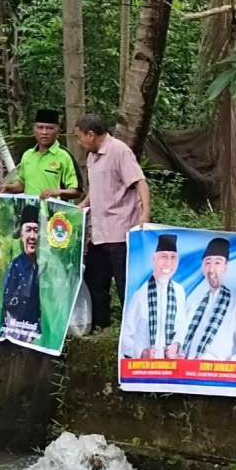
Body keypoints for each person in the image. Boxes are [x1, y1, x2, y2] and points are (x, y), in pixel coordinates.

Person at [76, 114, 150, 332]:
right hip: (98, 232)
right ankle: (102, 325)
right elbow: (97, 189)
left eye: (80, 137)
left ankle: (134, 330)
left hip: (120, 231)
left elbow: (140, 182)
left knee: (125, 284)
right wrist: (82, 205)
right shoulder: (92, 157)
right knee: (95, 280)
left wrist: (145, 213)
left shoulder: (119, 151)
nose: (79, 142)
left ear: (91, 135)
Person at [170, 237, 236, 362]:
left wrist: (220, 367)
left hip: (218, 373)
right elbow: (180, 338)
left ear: (225, 267)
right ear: (202, 268)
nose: (211, 269)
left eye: (217, 263)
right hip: (187, 371)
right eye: (207, 263)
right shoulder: (195, 304)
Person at [120, 234, 188, 359]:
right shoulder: (140, 295)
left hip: (171, 365)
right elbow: (125, 337)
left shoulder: (179, 291)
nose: (168, 263)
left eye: (173, 257)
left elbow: (182, 326)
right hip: (144, 366)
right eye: (164, 257)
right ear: (154, 258)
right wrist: (141, 352)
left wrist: (176, 345)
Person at [0, 109, 81, 200]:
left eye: (50, 128)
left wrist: (57, 192)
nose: (44, 132)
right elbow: (22, 185)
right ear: (34, 130)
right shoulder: (27, 155)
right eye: (40, 127)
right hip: (30, 208)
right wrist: (6, 187)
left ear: (58, 130)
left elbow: (77, 191)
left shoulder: (64, 156)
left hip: (55, 209)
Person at [0, 204, 41, 343]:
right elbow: (7, 305)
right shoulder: (15, 266)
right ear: (21, 234)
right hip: (17, 333)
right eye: (28, 230)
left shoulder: (46, 265)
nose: (32, 236)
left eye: (36, 230)